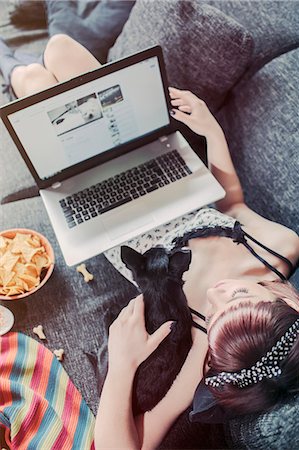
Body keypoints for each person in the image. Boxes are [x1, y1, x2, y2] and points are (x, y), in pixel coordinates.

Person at [1, 34, 299, 449]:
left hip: (108, 209)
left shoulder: (204, 350)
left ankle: (12, 71)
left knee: (31, 83)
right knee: (60, 49)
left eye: (211, 316)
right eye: (236, 295)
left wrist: (122, 364)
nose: (214, 295)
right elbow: (233, 204)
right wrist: (210, 128)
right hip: (159, 166)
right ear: (288, 300)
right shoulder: (278, 246)